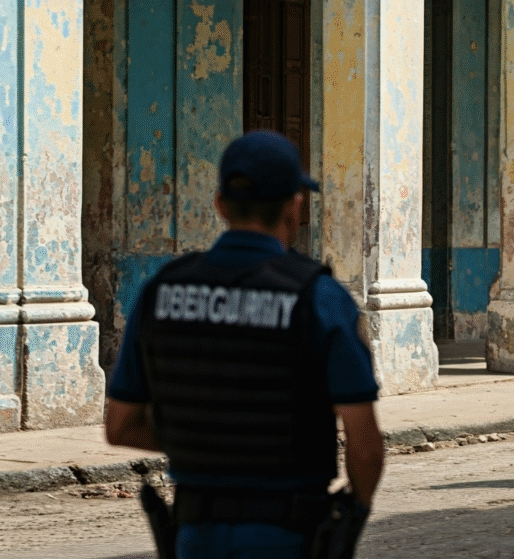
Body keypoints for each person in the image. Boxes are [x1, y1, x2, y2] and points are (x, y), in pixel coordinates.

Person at [105, 129, 384, 558]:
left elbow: (120, 426)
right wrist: (353, 516)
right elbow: (364, 446)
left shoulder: (160, 292)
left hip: (193, 534)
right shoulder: (319, 298)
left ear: (220, 205)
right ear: (295, 205)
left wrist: (206, 440)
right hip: (287, 534)